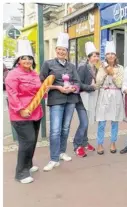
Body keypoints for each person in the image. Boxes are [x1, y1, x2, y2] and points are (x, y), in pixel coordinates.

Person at [40, 33, 81, 171]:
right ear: (56, 50)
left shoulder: (71, 66)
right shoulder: (48, 64)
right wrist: (58, 87)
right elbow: (42, 83)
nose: (61, 52)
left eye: (64, 50)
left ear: (67, 52)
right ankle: (53, 158)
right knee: (55, 130)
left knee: (65, 128)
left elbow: (77, 82)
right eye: (59, 49)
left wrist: (72, 88)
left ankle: (62, 152)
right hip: (56, 100)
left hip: (70, 100)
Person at [5, 40, 43, 183]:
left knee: (32, 141)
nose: (27, 60)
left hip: (36, 113)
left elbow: (39, 91)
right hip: (20, 115)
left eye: (29, 58)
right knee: (27, 141)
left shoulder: (34, 74)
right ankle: (20, 173)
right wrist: (20, 110)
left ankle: (28, 164)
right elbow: (12, 94)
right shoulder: (13, 75)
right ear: (18, 60)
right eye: (24, 58)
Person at [95, 41, 125, 155]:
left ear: (115, 56)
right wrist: (104, 71)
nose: (111, 56)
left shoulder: (120, 68)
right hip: (104, 95)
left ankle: (113, 142)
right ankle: (100, 144)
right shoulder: (101, 67)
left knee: (115, 121)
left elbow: (120, 84)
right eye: (108, 54)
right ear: (106, 56)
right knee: (101, 121)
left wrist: (112, 74)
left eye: (113, 53)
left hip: (116, 95)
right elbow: (98, 83)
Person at [73, 42, 99, 158]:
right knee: (84, 122)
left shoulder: (96, 69)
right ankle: (77, 145)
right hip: (81, 100)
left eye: (97, 56)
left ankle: (85, 142)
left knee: (87, 121)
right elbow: (78, 84)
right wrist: (91, 87)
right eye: (94, 56)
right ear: (89, 58)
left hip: (90, 98)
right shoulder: (83, 68)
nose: (96, 58)